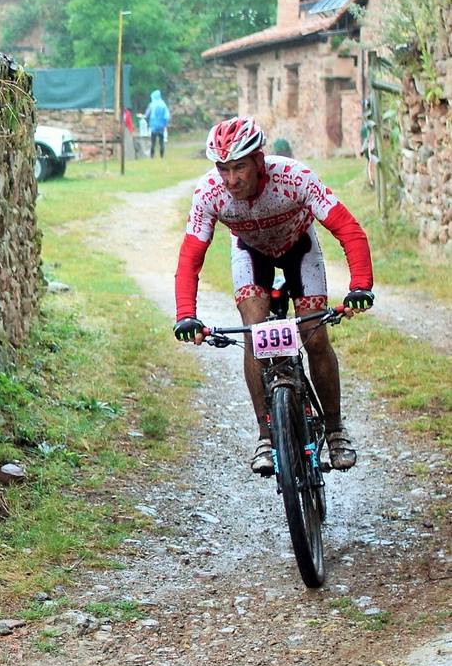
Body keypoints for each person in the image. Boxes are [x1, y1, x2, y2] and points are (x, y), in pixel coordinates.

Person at [172, 117, 376, 475]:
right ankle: (266, 435)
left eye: (239, 168)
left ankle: (335, 430)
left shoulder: (294, 178)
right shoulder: (209, 193)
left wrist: (360, 285)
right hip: (251, 255)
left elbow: (349, 229)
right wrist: (185, 313)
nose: (231, 179)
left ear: (259, 161)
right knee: (254, 335)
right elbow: (191, 256)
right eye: (223, 168)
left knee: (315, 337)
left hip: (300, 249)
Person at [144, 89, 170, 158]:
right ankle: (162, 156)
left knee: (153, 142)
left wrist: (145, 118)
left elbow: (146, 114)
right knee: (161, 142)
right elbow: (167, 116)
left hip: (154, 126)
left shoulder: (152, 104)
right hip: (161, 126)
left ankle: (152, 156)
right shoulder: (163, 104)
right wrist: (165, 124)